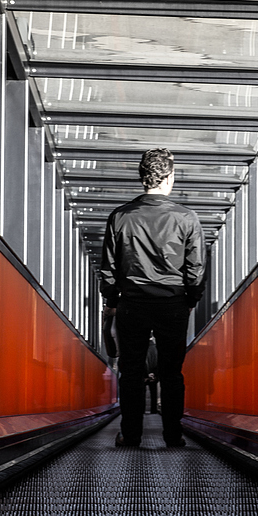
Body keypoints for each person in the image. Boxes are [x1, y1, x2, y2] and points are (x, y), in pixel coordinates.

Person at [99, 148, 207, 448]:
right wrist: (190, 299)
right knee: (172, 372)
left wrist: (112, 300)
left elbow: (108, 267)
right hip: (173, 302)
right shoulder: (186, 217)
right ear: (169, 177)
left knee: (131, 372)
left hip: (132, 303)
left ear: (142, 178)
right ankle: (173, 435)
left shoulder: (120, 217)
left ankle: (131, 435)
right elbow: (196, 268)